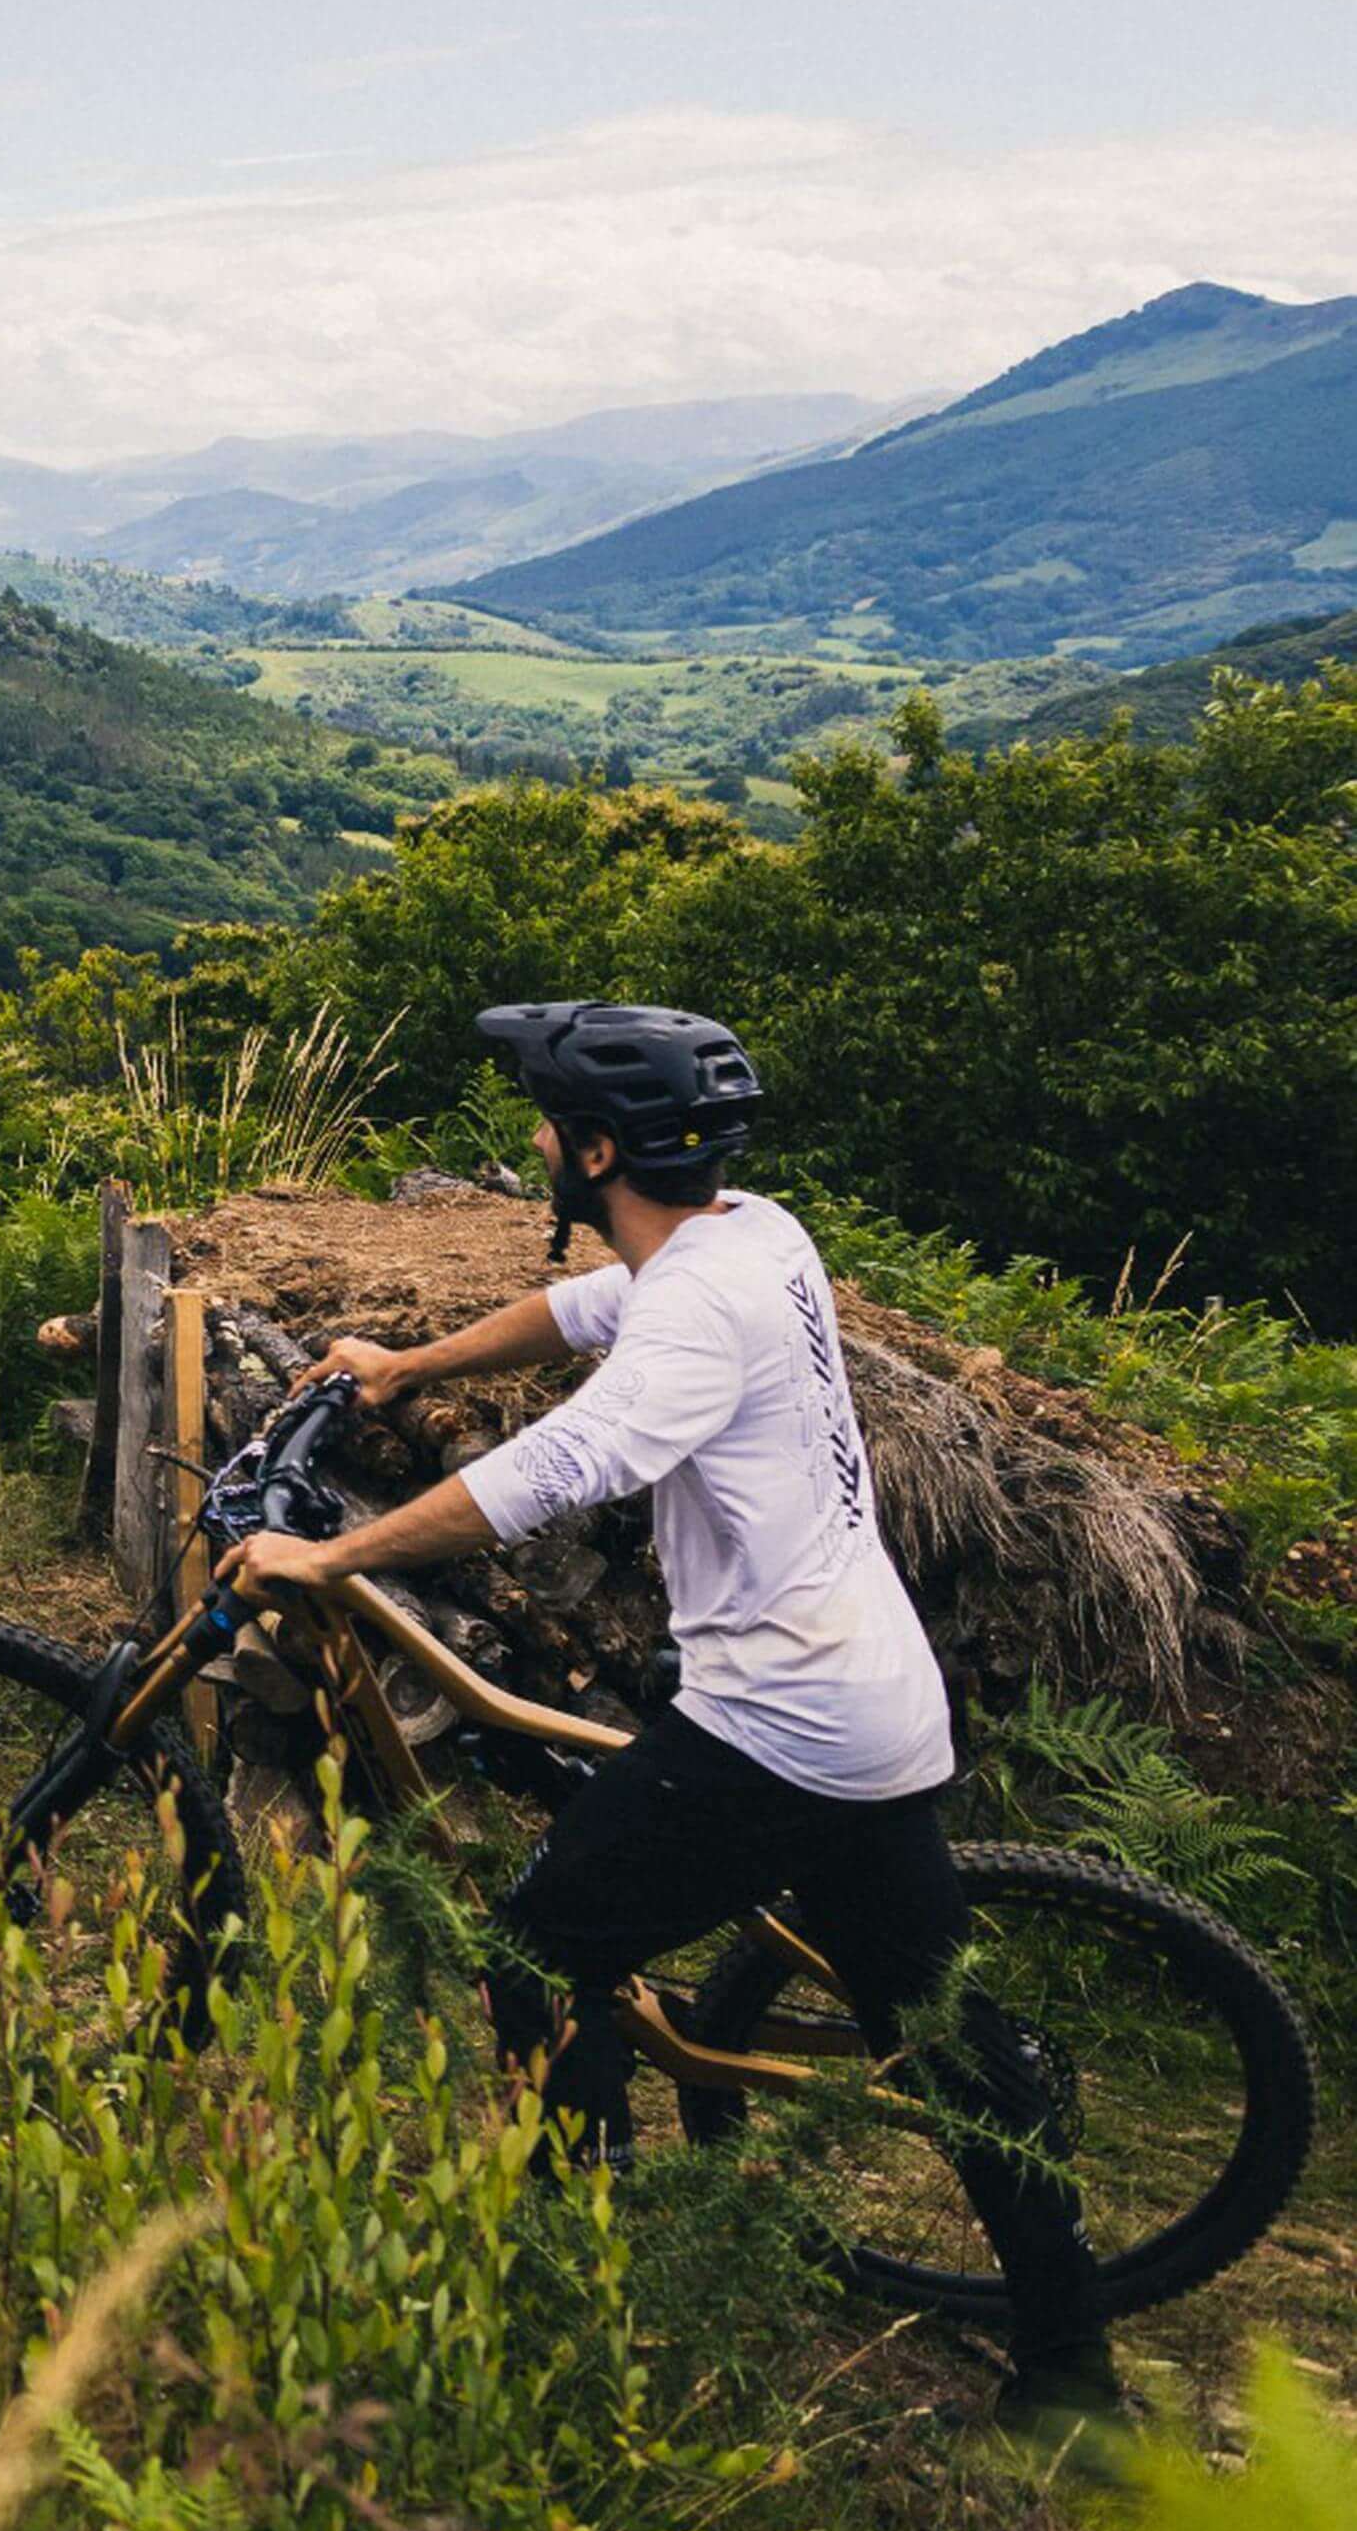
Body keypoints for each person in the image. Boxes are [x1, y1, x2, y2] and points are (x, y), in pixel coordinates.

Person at [219, 999, 1117, 2429]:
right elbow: (582, 1310)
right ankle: (1074, 2372)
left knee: (530, 1951)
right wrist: (404, 1364)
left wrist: (327, 1555)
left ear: (592, 1149)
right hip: (864, 1695)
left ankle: (580, 2271)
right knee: (938, 2030)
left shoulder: (705, 1296)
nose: (527, 1141)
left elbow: (563, 1460)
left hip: (782, 1720)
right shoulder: (746, 1231)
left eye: (542, 1125)